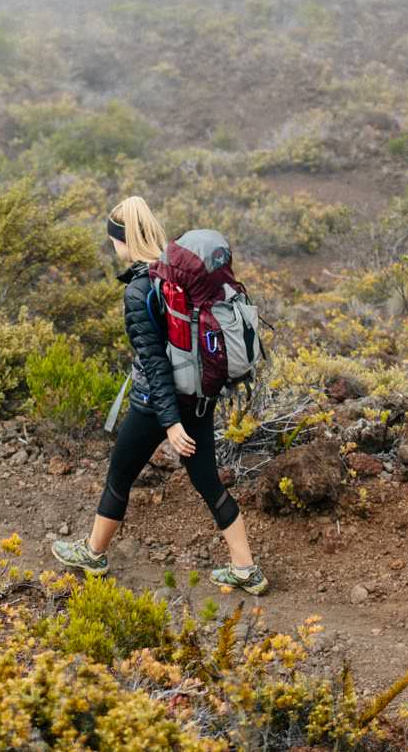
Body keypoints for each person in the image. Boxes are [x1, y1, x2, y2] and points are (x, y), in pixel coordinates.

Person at [51, 195, 268, 594]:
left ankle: (93, 554)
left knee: (119, 474)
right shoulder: (174, 275)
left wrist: (168, 423)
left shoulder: (139, 290)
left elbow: (154, 363)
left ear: (123, 239)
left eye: (113, 240)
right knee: (207, 481)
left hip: (156, 404)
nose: (112, 247)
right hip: (199, 398)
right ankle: (245, 569)